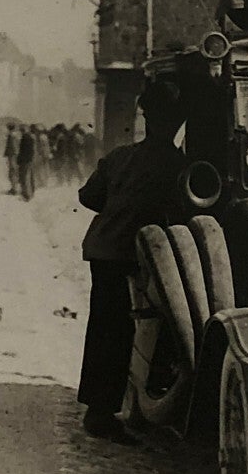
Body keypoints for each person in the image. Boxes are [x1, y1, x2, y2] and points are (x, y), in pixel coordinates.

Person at [75, 78, 187, 443]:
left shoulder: (120, 156)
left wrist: (118, 208)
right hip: (141, 255)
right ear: (177, 122)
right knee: (140, 329)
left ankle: (100, 408)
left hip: (105, 250)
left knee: (106, 327)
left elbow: (88, 196)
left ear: (146, 116)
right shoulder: (179, 166)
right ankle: (117, 412)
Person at [15, 123, 38, 201]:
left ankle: (26, 195)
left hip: (25, 160)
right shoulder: (31, 137)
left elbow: (23, 151)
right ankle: (32, 192)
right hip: (29, 160)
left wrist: (19, 160)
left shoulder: (25, 138)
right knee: (30, 177)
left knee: (24, 178)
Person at [3, 122, 22, 194]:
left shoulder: (11, 135)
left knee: (12, 171)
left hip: (12, 155)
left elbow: (12, 146)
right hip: (16, 155)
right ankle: (15, 188)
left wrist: (9, 155)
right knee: (15, 171)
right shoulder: (17, 135)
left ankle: (14, 189)